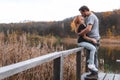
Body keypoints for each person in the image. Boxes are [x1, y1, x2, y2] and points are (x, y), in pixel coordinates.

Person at [78, 5, 100, 79]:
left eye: (82, 13)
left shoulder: (91, 17)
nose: (82, 15)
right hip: (92, 39)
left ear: (85, 11)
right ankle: (93, 74)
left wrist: (80, 34)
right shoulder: (91, 17)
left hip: (93, 39)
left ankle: (94, 75)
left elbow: (88, 29)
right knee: (92, 58)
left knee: (93, 58)